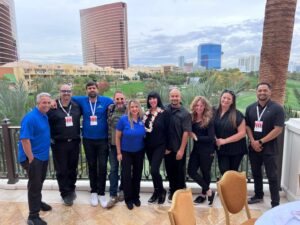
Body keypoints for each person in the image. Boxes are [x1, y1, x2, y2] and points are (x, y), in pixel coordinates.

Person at [72, 81, 113, 208]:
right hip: (88, 139)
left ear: (97, 89)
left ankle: (101, 193)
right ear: (86, 91)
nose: (91, 90)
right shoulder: (82, 100)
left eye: (93, 88)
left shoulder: (106, 100)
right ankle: (94, 191)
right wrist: (54, 102)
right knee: (92, 166)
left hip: (103, 139)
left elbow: (119, 104)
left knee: (102, 166)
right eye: (89, 88)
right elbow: (67, 96)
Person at [246, 82, 284, 208]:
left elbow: (278, 129)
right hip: (254, 147)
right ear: (256, 92)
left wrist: (261, 141)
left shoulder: (277, 108)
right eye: (260, 90)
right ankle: (258, 195)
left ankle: (275, 202)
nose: (262, 92)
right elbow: (247, 126)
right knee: (256, 173)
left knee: (272, 175)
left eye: (265, 90)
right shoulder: (250, 108)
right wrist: (252, 141)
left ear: (270, 92)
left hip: (270, 149)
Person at [18, 92, 52, 225]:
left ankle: (37, 203)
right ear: (38, 103)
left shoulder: (44, 116)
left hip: (42, 157)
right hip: (33, 158)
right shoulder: (30, 118)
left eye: (48, 102)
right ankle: (33, 216)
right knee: (34, 185)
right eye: (44, 102)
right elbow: (25, 140)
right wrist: (31, 159)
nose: (47, 105)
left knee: (38, 182)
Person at [47, 84, 81, 206]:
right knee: (61, 170)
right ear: (59, 92)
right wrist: (51, 101)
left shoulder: (77, 106)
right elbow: (41, 110)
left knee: (72, 168)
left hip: (74, 143)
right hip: (59, 144)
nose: (66, 93)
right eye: (63, 91)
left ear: (71, 92)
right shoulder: (52, 107)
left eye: (68, 91)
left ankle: (71, 189)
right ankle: (65, 193)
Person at [116, 99, 145, 210]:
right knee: (126, 176)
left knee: (137, 175)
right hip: (126, 152)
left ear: (139, 108)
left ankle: (135, 197)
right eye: (132, 107)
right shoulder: (123, 120)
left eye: (136, 107)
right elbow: (118, 137)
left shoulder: (142, 119)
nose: (134, 109)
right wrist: (119, 152)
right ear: (129, 108)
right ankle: (128, 199)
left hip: (139, 151)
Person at [187, 96, 216, 206]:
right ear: (194, 106)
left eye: (201, 105)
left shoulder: (209, 119)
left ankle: (204, 194)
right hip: (196, 150)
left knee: (205, 173)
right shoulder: (192, 118)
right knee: (191, 171)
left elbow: (211, 138)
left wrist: (196, 137)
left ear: (205, 107)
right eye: (197, 105)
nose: (199, 107)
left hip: (207, 151)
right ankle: (209, 191)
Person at [165, 88, 192, 202]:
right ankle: (172, 190)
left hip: (179, 147)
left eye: (176, 96)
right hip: (167, 148)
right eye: (172, 96)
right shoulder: (165, 110)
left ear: (180, 97)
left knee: (179, 171)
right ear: (169, 97)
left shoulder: (185, 113)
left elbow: (186, 132)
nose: (174, 98)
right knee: (170, 170)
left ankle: (180, 191)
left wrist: (181, 150)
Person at [214, 89, 247, 175]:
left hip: (235, 149)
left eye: (229, 99)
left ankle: (231, 189)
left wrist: (224, 141)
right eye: (224, 97)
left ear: (232, 101)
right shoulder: (213, 111)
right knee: (224, 172)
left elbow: (242, 133)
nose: (225, 100)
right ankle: (227, 189)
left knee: (231, 174)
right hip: (221, 149)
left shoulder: (237, 114)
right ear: (220, 98)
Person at [143, 92, 168, 204]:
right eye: (150, 98)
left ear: (158, 100)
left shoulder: (164, 113)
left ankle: (162, 191)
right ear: (148, 101)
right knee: (154, 171)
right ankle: (156, 191)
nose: (152, 100)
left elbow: (169, 131)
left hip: (160, 145)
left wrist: (168, 146)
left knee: (154, 169)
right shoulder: (146, 114)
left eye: (154, 98)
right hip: (148, 146)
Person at [106, 91, 126, 208]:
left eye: (121, 98)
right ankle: (113, 194)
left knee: (125, 169)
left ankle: (122, 189)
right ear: (113, 100)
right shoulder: (110, 109)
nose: (119, 101)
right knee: (113, 169)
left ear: (125, 99)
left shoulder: (129, 109)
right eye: (117, 99)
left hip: (125, 146)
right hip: (112, 145)